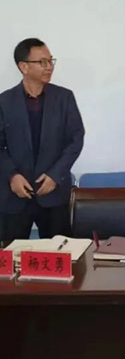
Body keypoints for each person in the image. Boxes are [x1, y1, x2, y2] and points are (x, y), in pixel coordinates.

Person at [0, 38, 84, 241]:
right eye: (42, 62)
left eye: (51, 61)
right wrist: (12, 175)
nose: (49, 67)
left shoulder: (64, 98)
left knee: (61, 253)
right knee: (12, 256)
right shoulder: (4, 101)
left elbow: (75, 139)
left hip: (53, 194)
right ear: (24, 67)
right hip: (15, 194)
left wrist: (55, 175)